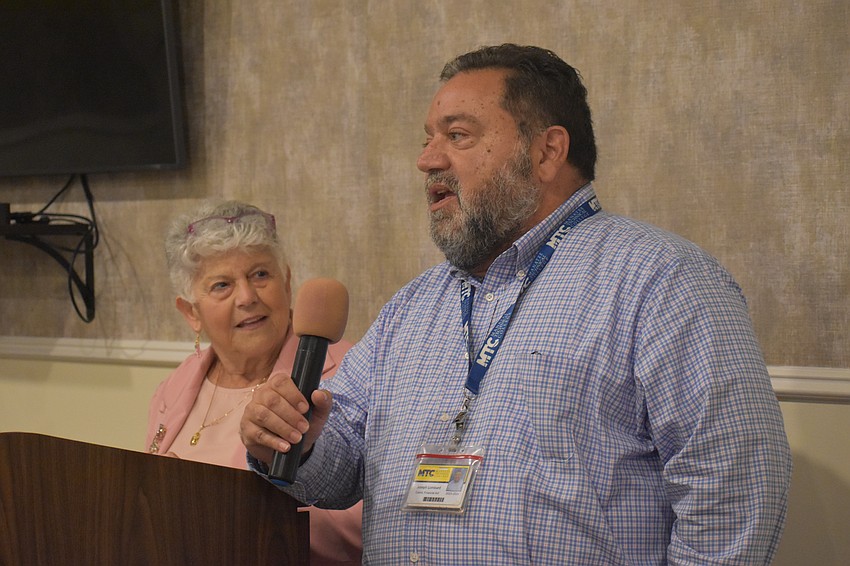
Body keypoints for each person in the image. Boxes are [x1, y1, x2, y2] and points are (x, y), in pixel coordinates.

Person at [241, 44, 792, 564]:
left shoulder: (662, 281)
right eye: (428, 137)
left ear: (547, 151)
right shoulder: (412, 307)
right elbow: (339, 474)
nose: (426, 160)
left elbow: (734, 496)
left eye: (457, 136)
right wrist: (300, 440)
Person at [145, 199, 362, 565]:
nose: (247, 297)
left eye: (260, 275)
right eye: (222, 285)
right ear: (191, 313)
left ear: (287, 281)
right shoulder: (176, 385)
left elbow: (361, 522)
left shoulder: (349, 371)